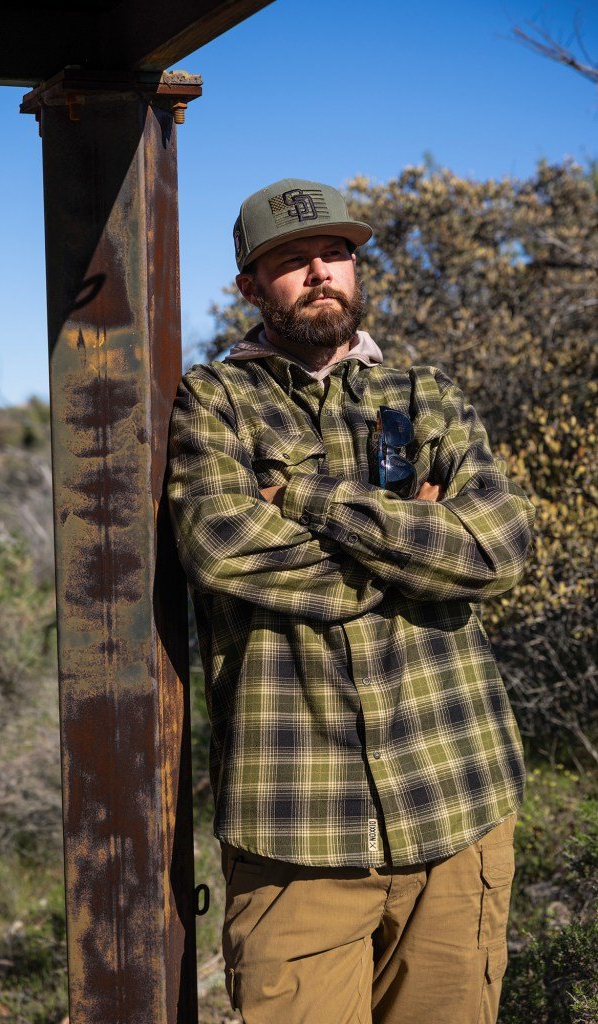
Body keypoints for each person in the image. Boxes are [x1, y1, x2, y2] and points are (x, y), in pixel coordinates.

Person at [167, 178, 534, 1024]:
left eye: (334, 254)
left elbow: (498, 547)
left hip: (457, 797)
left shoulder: (423, 393)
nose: (319, 273)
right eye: (291, 260)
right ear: (249, 286)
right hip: (294, 827)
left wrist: (302, 499)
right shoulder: (213, 399)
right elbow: (222, 548)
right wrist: (417, 543)